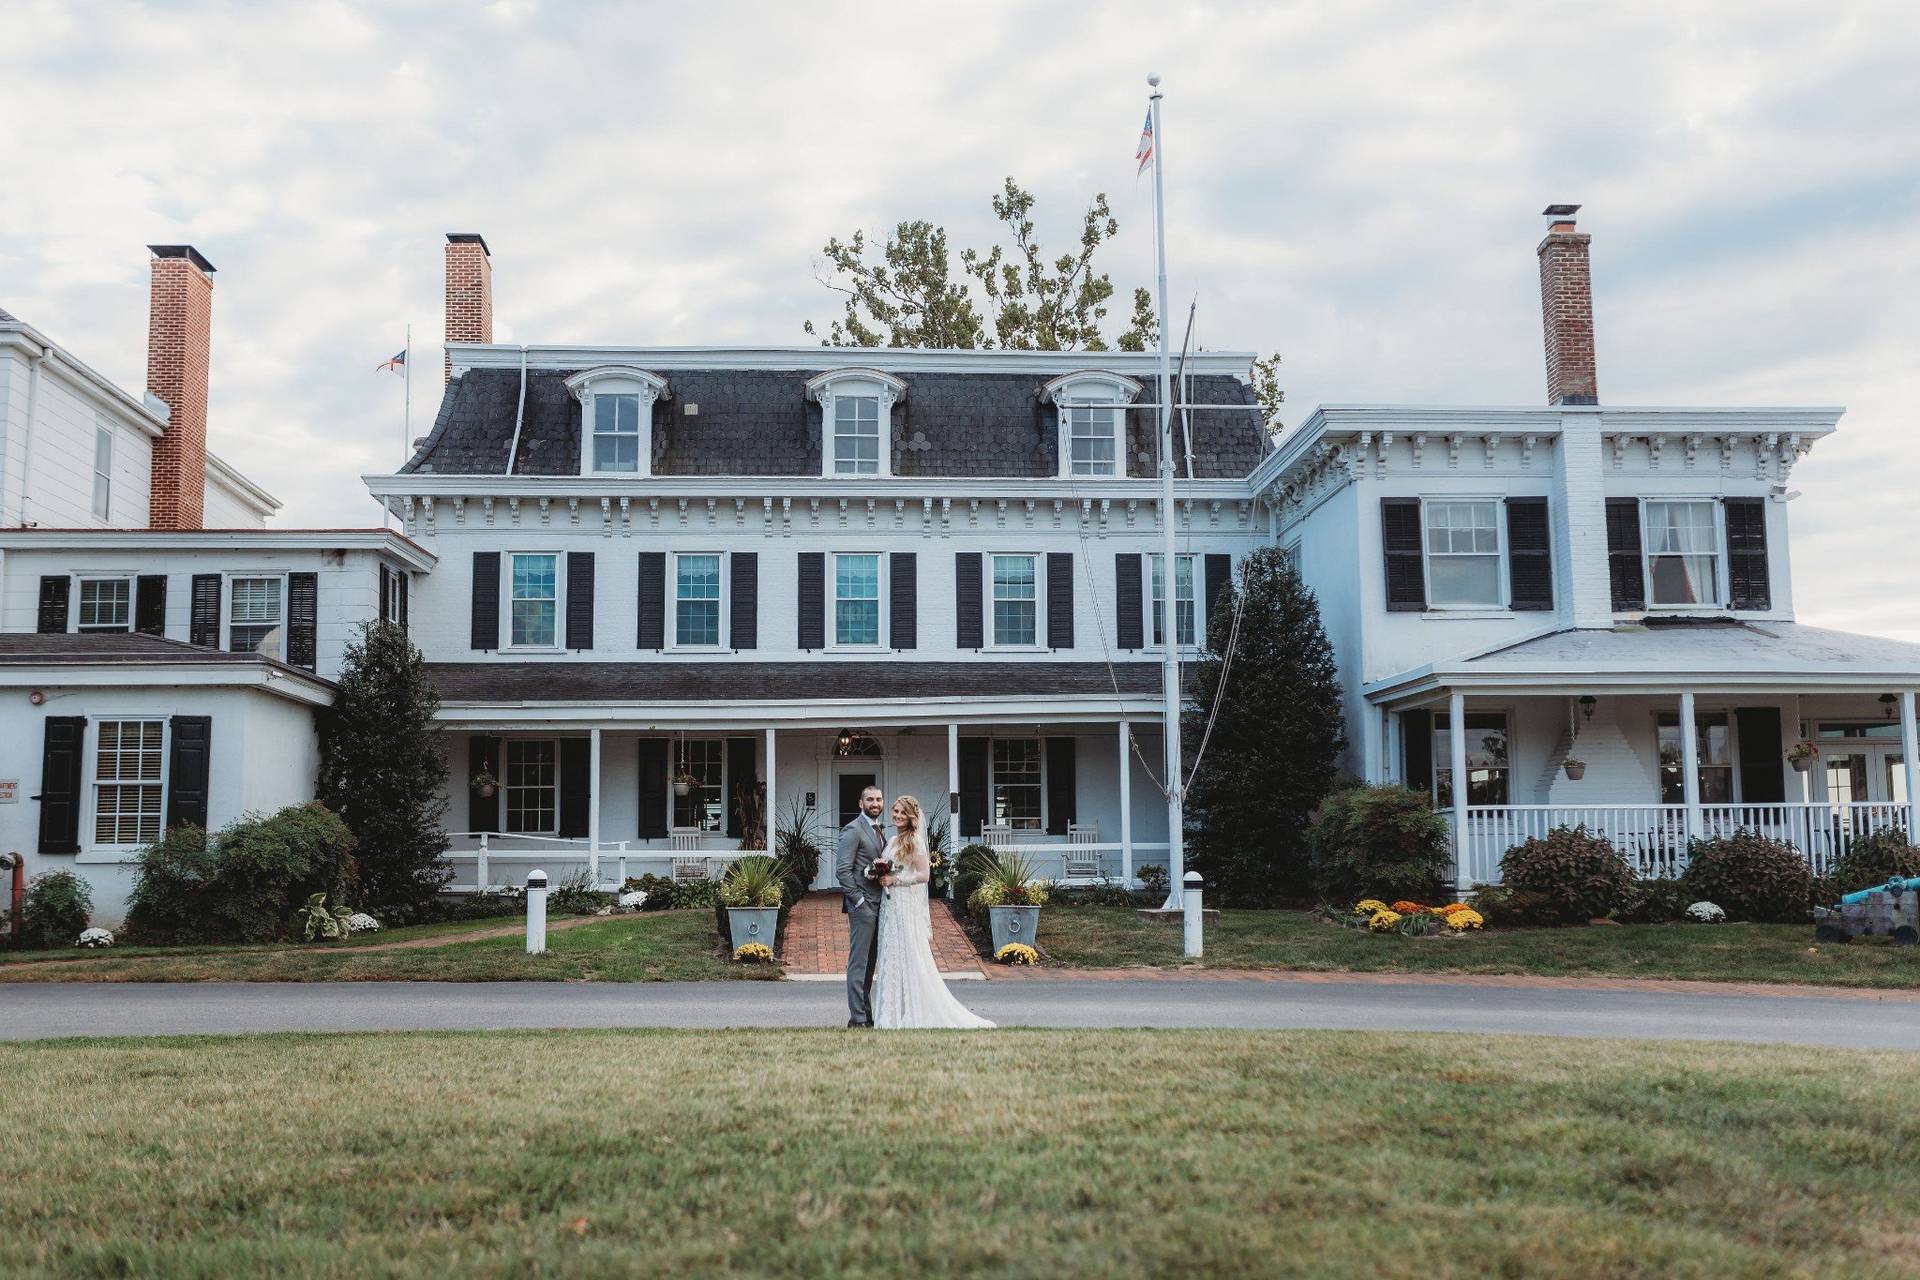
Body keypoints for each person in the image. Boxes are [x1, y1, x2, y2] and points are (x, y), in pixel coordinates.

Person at [869, 794, 995, 1030]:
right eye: (895, 811)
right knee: (891, 953)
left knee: (909, 953)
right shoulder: (893, 840)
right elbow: (892, 868)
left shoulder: (915, 840)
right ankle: (890, 1016)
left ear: (911, 816)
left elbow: (923, 875)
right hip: (890, 906)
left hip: (905, 903)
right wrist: (875, 872)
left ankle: (913, 1013)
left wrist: (896, 881)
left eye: (902, 812)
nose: (897, 816)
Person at [836, 785, 890, 1028]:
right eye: (870, 799)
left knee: (870, 964)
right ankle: (857, 1019)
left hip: (879, 905)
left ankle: (866, 1015)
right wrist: (858, 901)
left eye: (878, 799)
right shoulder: (853, 830)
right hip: (862, 907)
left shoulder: (879, 830)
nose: (875, 803)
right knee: (858, 963)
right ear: (861, 803)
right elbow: (843, 871)